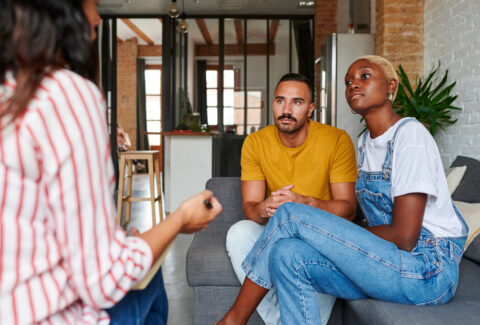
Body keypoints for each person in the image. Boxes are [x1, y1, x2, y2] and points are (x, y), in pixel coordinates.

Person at [0, 1, 222, 324]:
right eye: (92, 3)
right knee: (151, 276)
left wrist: (116, 241)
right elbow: (103, 280)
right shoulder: (66, 94)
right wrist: (179, 220)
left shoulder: (11, 88)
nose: (98, 17)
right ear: (65, 10)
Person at [217, 55, 468, 324]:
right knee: (286, 253)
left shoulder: (410, 135)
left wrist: (325, 231)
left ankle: (233, 320)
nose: (353, 85)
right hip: (386, 262)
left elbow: (405, 237)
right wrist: (324, 233)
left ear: (391, 86)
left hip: (426, 270)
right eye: (348, 81)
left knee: (291, 214)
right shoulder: (363, 143)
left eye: (365, 76)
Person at [224, 73, 358, 324]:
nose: (286, 109)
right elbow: (250, 210)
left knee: (297, 251)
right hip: (278, 232)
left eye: (297, 102)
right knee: (239, 232)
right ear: (272, 104)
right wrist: (264, 208)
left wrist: (305, 204)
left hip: (320, 240)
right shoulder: (255, 142)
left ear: (310, 109)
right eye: (280, 101)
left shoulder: (337, 140)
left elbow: (349, 209)